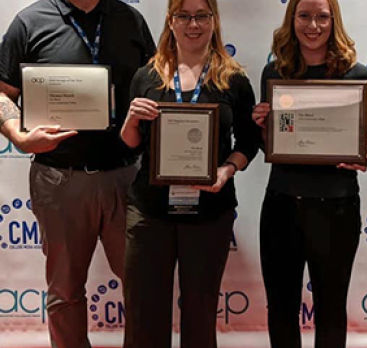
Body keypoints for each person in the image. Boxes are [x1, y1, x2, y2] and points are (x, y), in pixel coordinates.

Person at [0, 0, 155, 347]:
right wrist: (19, 136)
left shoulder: (130, 19)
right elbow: (2, 91)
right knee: (65, 290)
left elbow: (154, 86)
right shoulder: (29, 22)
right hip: (59, 179)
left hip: (127, 177)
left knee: (142, 285)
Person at [119, 0, 261, 347]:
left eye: (201, 15)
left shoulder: (234, 78)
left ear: (214, 20)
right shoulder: (148, 75)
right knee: (143, 315)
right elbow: (131, 144)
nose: (192, 24)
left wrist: (227, 170)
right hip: (150, 212)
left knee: (200, 315)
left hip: (210, 211)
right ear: (171, 20)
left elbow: (249, 141)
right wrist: (130, 120)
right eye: (183, 15)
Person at [252, 0, 367, 347]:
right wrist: (262, 125)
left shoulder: (356, 75)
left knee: (331, 307)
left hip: (336, 206)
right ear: (292, 19)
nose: (313, 25)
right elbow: (267, 140)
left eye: (322, 17)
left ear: (333, 21)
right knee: (281, 307)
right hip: (282, 203)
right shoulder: (275, 72)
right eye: (304, 16)